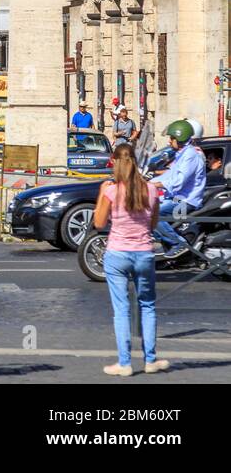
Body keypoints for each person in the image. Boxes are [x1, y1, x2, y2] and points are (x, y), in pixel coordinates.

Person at [91, 143, 169, 376]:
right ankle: (150, 359)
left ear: (115, 162)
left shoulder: (112, 190)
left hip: (117, 253)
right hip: (144, 253)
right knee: (148, 306)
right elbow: (154, 223)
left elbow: (99, 223)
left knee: (122, 309)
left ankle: (124, 363)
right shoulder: (151, 190)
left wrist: (101, 194)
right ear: (135, 162)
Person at [153, 120, 206, 259]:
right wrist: (148, 181)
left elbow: (178, 181)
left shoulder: (191, 155)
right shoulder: (182, 154)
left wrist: (157, 185)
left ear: (179, 138)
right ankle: (165, 243)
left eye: (172, 138)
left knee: (154, 214)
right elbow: (170, 174)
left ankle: (178, 244)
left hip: (186, 201)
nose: (169, 142)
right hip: (177, 197)